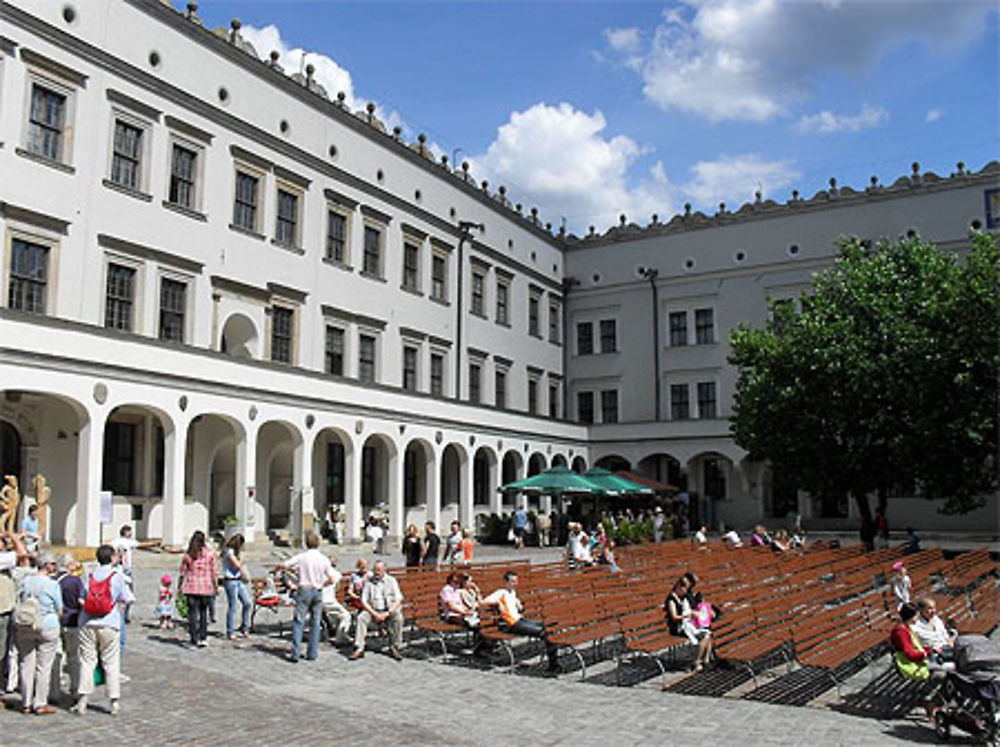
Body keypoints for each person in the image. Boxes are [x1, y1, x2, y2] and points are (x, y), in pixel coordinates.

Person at [74, 544, 129, 716]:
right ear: (112, 558)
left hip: (88, 622)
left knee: (87, 661)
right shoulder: (117, 576)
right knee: (111, 662)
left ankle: (82, 701)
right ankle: (114, 702)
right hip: (109, 622)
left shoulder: (88, 575)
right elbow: (126, 598)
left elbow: (81, 597)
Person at [279, 531, 339, 663]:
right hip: (317, 591)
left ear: (307, 543)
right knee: (315, 623)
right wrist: (322, 584)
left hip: (304, 589)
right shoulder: (323, 559)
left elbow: (284, 565)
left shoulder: (302, 557)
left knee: (299, 621)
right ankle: (312, 653)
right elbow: (332, 578)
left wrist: (294, 572)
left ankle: (295, 653)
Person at [14, 551, 61, 714]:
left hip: (26, 623)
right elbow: (59, 608)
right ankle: (39, 702)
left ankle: (25, 701)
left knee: (26, 663)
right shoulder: (52, 584)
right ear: (47, 566)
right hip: (46, 624)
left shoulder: (26, 581)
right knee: (43, 666)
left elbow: (20, 599)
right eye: (53, 564)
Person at [483, 570, 559, 672]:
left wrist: (519, 604)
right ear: (507, 582)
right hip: (512, 624)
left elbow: (517, 607)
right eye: (513, 581)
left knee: (550, 626)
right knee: (546, 633)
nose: (516, 583)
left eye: (516, 581)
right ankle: (553, 665)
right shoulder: (501, 593)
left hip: (520, 620)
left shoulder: (512, 593)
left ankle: (553, 662)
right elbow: (483, 601)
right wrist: (497, 603)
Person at [349, 560, 404, 660]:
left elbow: (399, 598)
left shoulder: (391, 581)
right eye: (375, 570)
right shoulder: (369, 582)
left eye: (379, 570)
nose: (376, 572)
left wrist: (388, 613)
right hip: (373, 610)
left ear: (384, 570)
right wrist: (374, 613)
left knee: (398, 618)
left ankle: (395, 647)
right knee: (361, 618)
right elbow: (364, 600)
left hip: (388, 610)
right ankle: (359, 648)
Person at [664, 575, 712, 672]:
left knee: (707, 634)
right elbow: (675, 617)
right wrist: (688, 615)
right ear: (678, 586)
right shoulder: (671, 600)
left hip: (687, 625)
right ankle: (697, 662)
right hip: (678, 628)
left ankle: (705, 661)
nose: (685, 591)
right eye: (684, 588)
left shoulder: (682, 598)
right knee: (704, 636)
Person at [179, 530, 217, 648]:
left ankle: (193, 639)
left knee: (192, 615)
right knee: (203, 613)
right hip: (205, 587)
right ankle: (203, 637)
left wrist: (179, 586)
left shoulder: (188, 554)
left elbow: (182, 573)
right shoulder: (210, 554)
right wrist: (216, 586)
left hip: (191, 587)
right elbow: (214, 572)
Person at [57, 553, 85, 697]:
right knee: (73, 656)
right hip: (72, 620)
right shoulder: (75, 581)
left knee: (58, 655)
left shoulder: (55, 579)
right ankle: (74, 688)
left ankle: (55, 685)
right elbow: (81, 600)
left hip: (57, 621)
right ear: (69, 565)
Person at [221, 534, 252, 641]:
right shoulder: (229, 551)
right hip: (230, 581)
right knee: (233, 606)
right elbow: (237, 565)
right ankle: (230, 631)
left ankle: (245, 626)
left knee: (247, 603)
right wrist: (242, 558)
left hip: (238, 580)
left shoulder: (236, 552)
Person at [911, 597, 956, 663]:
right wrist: (931, 650)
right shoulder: (914, 626)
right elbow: (916, 646)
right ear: (921, 610)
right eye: (930, 608)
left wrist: (950, 642)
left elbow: (946, 637)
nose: (933, 611)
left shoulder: (937, 619)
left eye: (934, 608)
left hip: (947, 650)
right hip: (933, 656)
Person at [320, 554, 351, 647]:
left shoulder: (320, 572)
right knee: (346, 616)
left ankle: (338, 633)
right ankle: (340, 638)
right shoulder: (337, 574)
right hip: (328, 600)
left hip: (316, 600)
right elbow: (337, 588)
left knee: (338, 616)